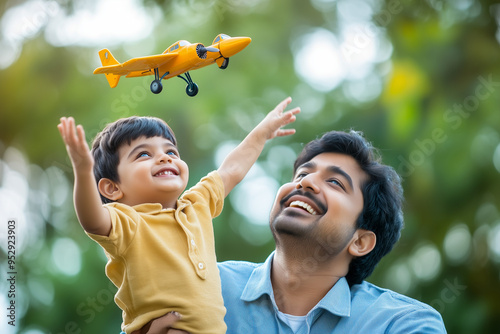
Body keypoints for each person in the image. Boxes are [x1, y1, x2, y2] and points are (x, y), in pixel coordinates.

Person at [57, 97, 300, 334]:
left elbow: (231, 170)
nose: (164, 157)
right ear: (112, 188)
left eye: (171, 152)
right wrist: (83, 170)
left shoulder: (197, 204)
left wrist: (262, 132)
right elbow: (92, 219)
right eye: (143, 154)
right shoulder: (128, 222)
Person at [214, 130, 447, 333]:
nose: (305, 183)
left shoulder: (402, 324)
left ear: (360, 242)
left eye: (335, 182)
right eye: (303, 174)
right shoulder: (207, 285)